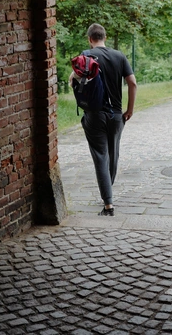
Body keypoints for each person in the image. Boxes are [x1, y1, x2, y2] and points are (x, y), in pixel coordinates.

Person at [70, 23, 137, 216]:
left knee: (100, 155)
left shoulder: (86, 55)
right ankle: (108, 189)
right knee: (113, 153)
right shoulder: (119, 56)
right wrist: (130, 110)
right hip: (117, 115)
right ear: (104, 37)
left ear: (90, 39)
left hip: (95, 114)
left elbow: (72, 79)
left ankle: (108, 204)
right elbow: (132, 83)